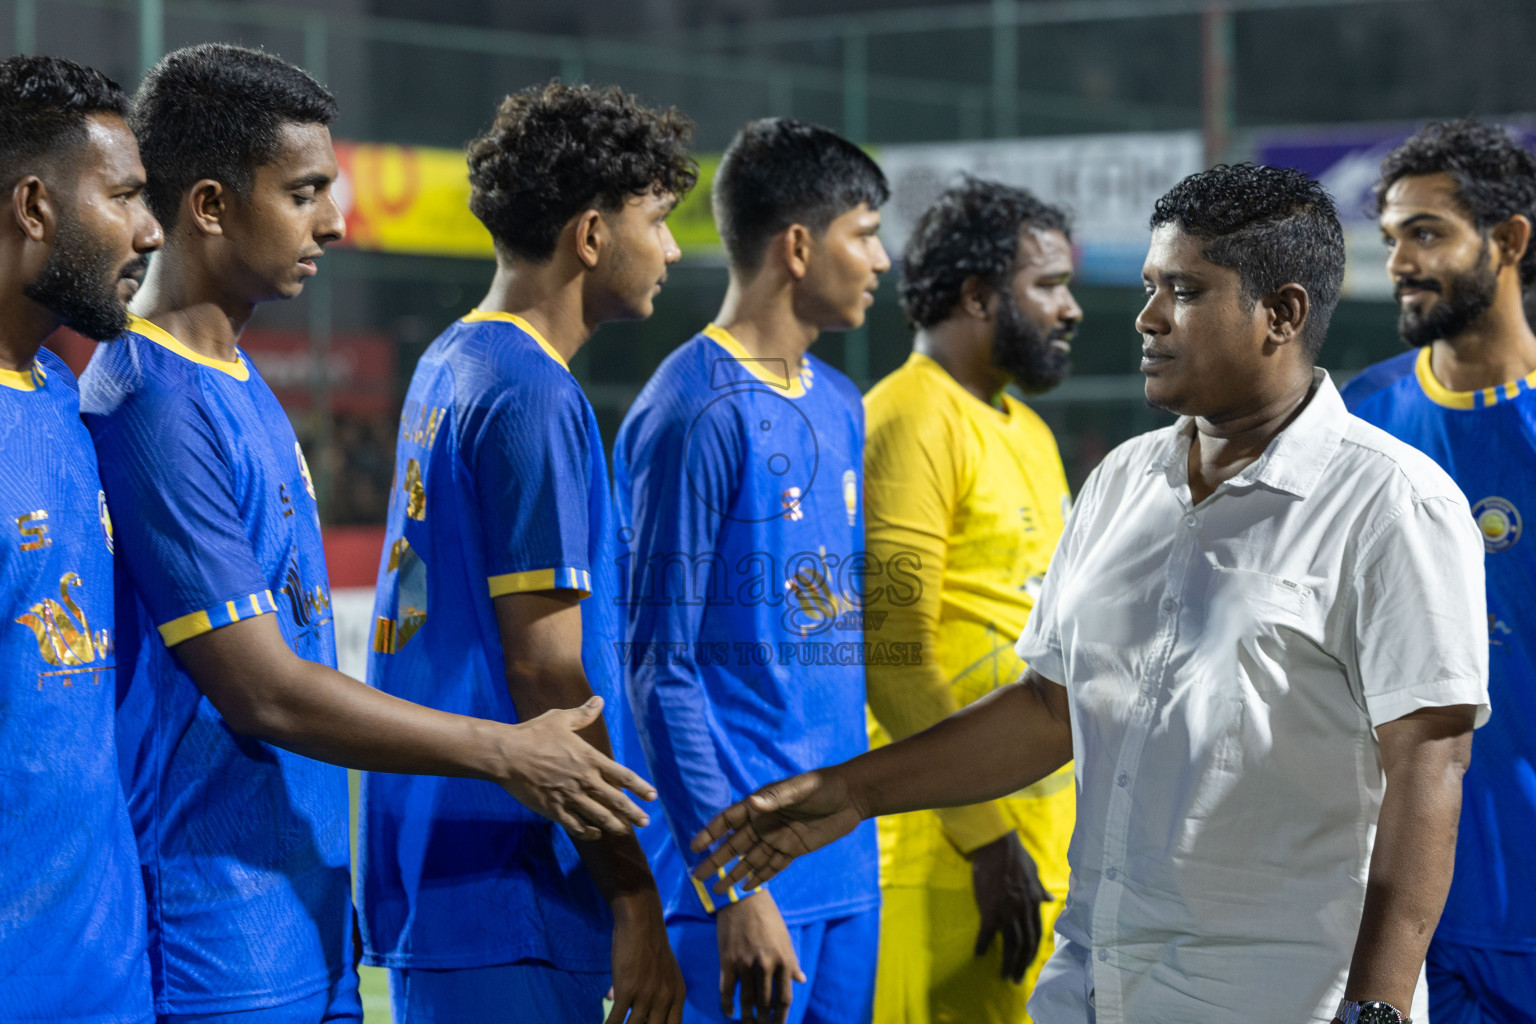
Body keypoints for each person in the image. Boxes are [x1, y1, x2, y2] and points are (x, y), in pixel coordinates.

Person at [691, 163, 1490, 1024]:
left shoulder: (1392, 503)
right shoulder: (1121, 483)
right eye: (1152, 286)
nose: (1146, 318)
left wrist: (1377, 1009)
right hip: (1093, 984)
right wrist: (855, 791)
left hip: (1277, 995)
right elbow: (1051, 709)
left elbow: (1428, 763)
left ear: (1282, 314)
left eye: (1183, 290)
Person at [80, 48, 655, 1023]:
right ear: (212, 206)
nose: (335, 223)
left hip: (308, 916)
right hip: (216, 944)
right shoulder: (149, 398)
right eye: (304, 193)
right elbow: (262, 688)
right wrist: (510, 751)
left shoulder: (234, 375)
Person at [361, 81, 694, 1024]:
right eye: (659, 220)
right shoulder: (533, 397)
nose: (670, 248)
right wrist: (635, 900)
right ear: (591, 237)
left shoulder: (452, 361)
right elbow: (548, 673)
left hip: (440, 867)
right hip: (512, 886)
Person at [614, 117, 890, 1024]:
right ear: (800, 247)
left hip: (845, 868)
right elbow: (661, 668)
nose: (881, 260)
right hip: (737, 882)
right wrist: (731, 885)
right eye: (866, 232)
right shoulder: (692, 409)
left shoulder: (840, 401)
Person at [862, 178, 1080, 1024]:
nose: (1069, 310)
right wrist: (985, 837)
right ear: (979, 295)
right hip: (944, 853)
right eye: (1048, 286)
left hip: (1037, 848)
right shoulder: (908, 419)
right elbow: (892, 654)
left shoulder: (1028, 430)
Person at [1344, 118, 1536, 1024]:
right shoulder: (1363, 416)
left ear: (1509, 241)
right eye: (1391, 239)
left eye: (1427, 233)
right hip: (1415, 908)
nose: (1400, 261)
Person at [0, 54, 161, 1024]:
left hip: (109, 988)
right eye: (125, 196)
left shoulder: (61, 396)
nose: (149, 229)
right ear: (33, 207)